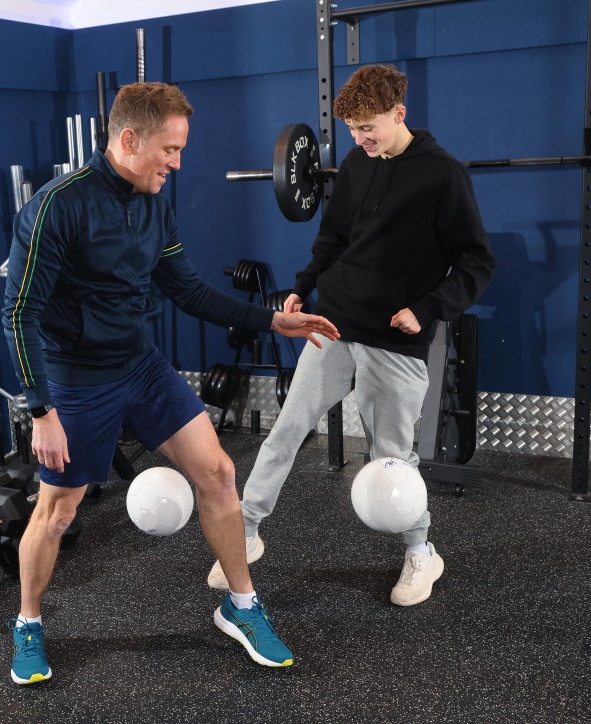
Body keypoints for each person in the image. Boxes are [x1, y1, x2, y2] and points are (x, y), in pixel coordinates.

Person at [1, 81, 340, 684]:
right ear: (129, 140)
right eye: (170, 150)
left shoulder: (154, 203)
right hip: (78, 381)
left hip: (142, 366)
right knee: (57, 511)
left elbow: (186, 289)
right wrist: (41, 410)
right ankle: (28, 624)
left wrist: (272, 320)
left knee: (218, 473)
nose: (178, 164)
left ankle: (241, 607)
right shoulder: (57, 207)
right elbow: (19, 312)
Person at [206, 64, 496, 606]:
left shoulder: (443, 175)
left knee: (391, 459)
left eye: (369, 128)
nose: (360, 140)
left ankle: (420, 552)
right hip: (335, 324)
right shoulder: (359, 167)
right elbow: (333, 237)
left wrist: (429, 308)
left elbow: (478, 263)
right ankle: (244, 534)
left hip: (395, 338)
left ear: (399, 114)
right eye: (353, 130)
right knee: (286, 429)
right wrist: (302, 288)